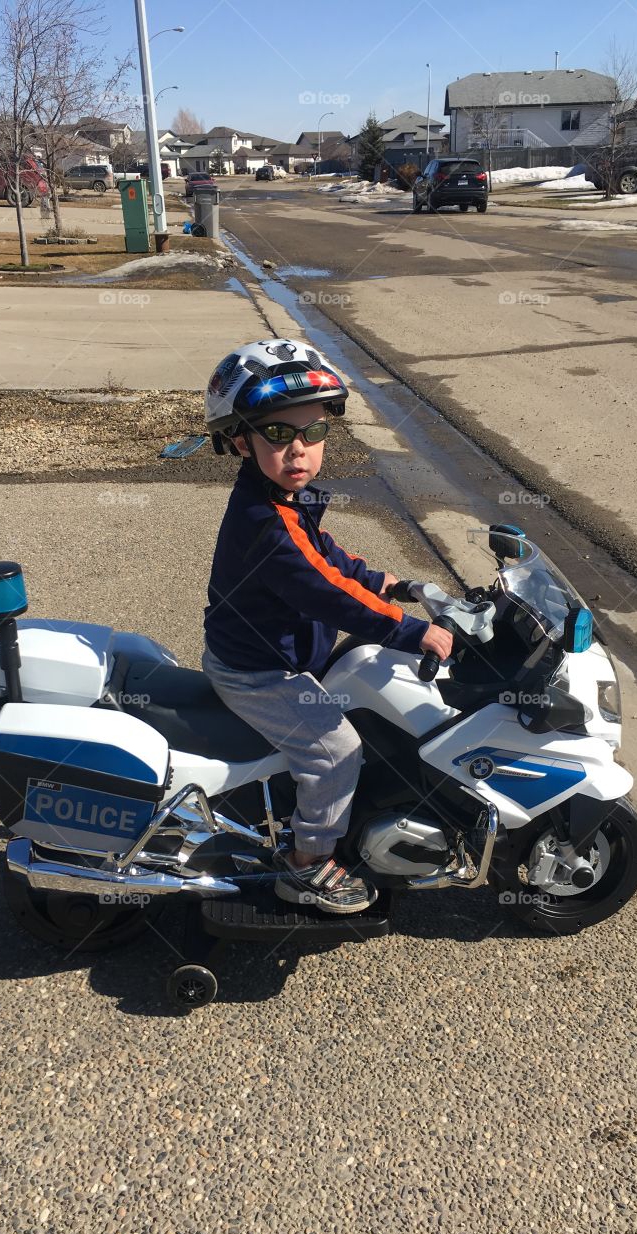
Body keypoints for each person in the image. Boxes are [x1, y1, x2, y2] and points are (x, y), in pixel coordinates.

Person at [201, 338, 454, 915]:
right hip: (258, 672)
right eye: (278, 434)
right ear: (240, 440)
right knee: (336, 751)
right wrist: (412, 630)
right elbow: (327, 593)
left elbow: (329, 562)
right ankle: (307, 864)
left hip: (277, 654)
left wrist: (382, 579)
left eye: (313, 433)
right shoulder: (267, 522)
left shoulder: (281, 500)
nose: (299, 450)